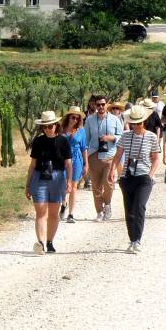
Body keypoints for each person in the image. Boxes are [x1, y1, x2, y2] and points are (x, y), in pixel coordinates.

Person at [111, 106, 161, 253]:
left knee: (139, 207)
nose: (137, 125)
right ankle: (132, 239)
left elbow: (156, 158)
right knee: (129, 210)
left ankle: (137, 240)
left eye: (139, 122)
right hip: (127, 176)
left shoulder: (151, 137)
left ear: (144, 121)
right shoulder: (126, 136)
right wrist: (112, 170)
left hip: (144, 177)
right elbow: (118, 154)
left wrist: (151, 175)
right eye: (134, 123)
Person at [26, 111, 73, 254]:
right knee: (41, 212)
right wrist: (27, 184)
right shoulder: (38, 141)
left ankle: (50, 241)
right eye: (44, 127)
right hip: (40, 177)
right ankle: (40, 243)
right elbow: (33, 164)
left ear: (56, 125)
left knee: (53, 213)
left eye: (50, 126)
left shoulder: (63, 141)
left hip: (57, 178)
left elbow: (68, 164)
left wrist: (69, 181)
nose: (47, 129)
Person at [84, 95, 123, 222]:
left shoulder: (115, 119)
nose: (100, 107)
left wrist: (112, 138)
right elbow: (86, 139)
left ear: (107, 105)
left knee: (108, 183)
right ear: (94, 106)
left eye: (103, 104)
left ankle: (107, 205)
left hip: (110, 155)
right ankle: (99, 211)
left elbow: (121, 136)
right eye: (98, 105)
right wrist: (86, 158)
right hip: (94, 155)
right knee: (96, 186)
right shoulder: (89, 120)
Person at [60, 106, 88, 223]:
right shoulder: (61, 129)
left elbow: (84, 148)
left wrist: (86, 164)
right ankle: (63, 204)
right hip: (63, 159)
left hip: (76, 159)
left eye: (77, 118)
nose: (75, 120)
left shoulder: (81, 130)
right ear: (68, 117)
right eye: (73, 117)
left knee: (74, 186)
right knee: (63, 185)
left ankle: (71, 214)